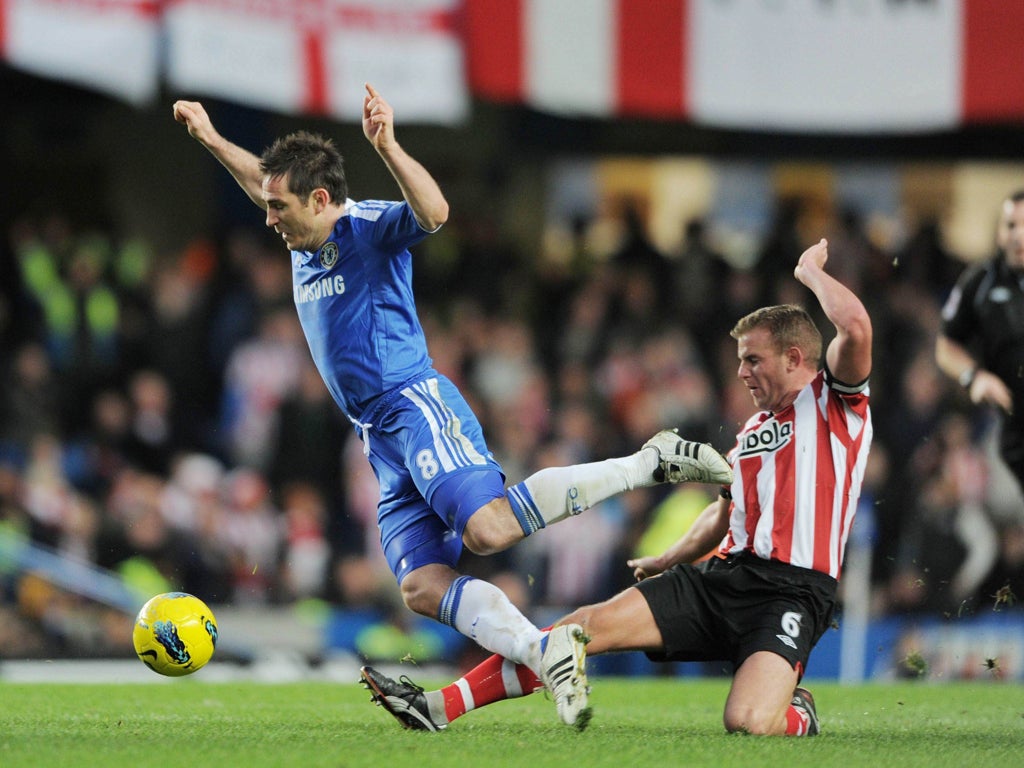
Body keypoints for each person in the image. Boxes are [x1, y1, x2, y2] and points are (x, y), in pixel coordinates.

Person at [172, 84, 732, 729]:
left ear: (320, 200)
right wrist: (212, 139)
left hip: (414, 403)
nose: (269, 218)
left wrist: (389, 146)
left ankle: (647, 462)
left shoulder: (367, 226)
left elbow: (434, 212)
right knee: (420, 586)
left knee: (488, 531)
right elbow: (261, 182)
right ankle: (545, 651)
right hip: (378, 436)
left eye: (279, 208)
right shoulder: (303, 232)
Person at [361, 238, 873, 736]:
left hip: (794, 591)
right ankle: (438, 706)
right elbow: (723, 512)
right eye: (739, 360)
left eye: (752, 360)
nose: (740, 373)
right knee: (576, 630)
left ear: (794, 356)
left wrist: (809, 274)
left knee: (748, 722)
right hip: (724, 578)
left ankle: (799, 712)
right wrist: (669, 559)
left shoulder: (837, 403)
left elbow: (854, 325)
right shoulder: (755, 431)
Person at [936, 190, 1024, 498]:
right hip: (1002, 422)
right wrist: (974, 377)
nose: (1018, 236)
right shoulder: (981, 281)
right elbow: (946, 346)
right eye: (1011, 225)